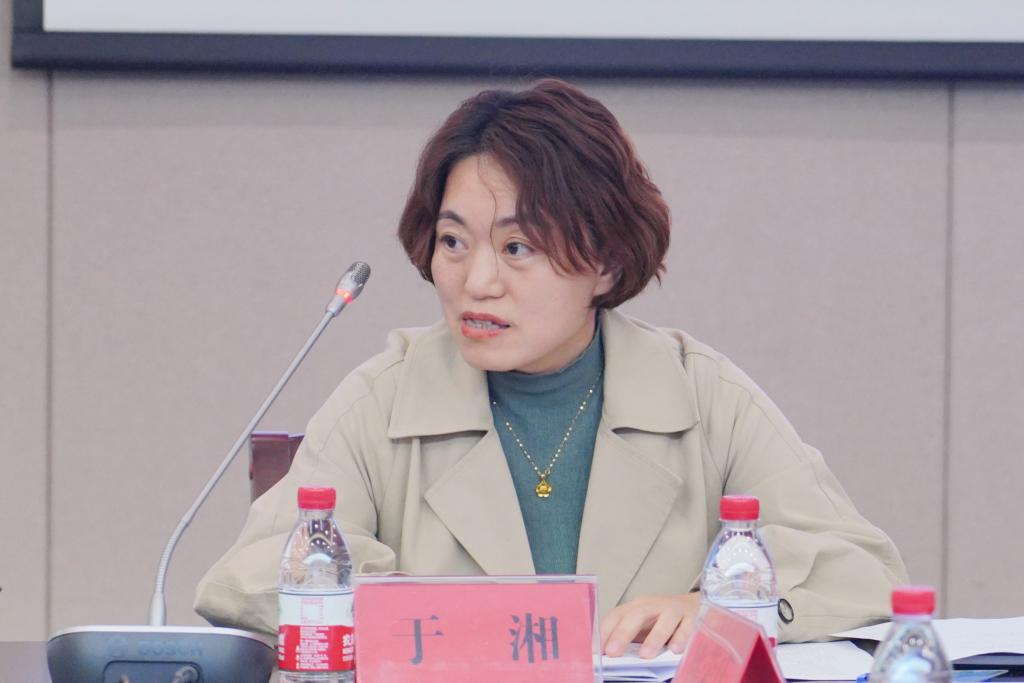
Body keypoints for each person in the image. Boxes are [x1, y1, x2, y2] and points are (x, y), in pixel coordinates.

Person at [194, 79, 907, 657]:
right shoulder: (383, 398)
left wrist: (724, 609)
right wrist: (439, 620)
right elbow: (250, 577)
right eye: (453, 241)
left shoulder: (700, 393)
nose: (476, 282)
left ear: (606, 263)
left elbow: (863, 568)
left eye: (518, 249)